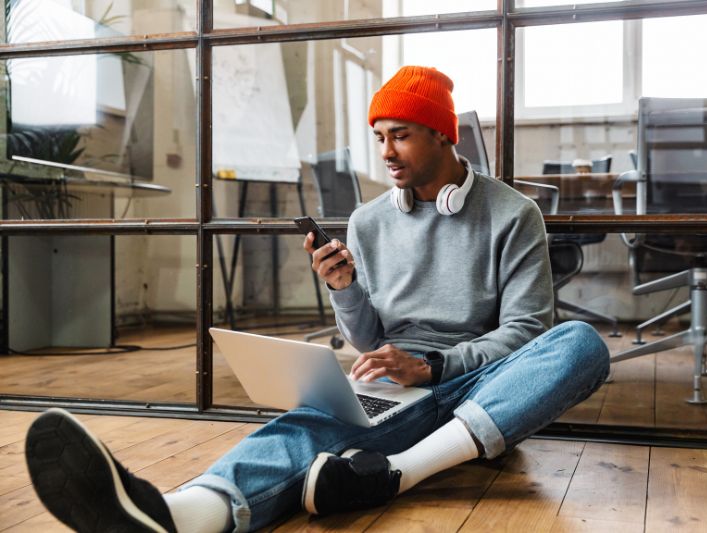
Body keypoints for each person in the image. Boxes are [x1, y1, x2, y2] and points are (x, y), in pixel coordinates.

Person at [23, 66, 610, 533]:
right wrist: (343, 289)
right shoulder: (368, 221)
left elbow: (526, 333)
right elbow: (367, 339)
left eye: (400, 135)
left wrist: (434, 365)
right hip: (394, 379)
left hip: (484, 383)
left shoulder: (514, 214)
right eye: (379, 137)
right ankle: (180, 515)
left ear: (441, 133)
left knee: (580, 343)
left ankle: (395, 473)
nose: (386, 151)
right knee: (307, 424)